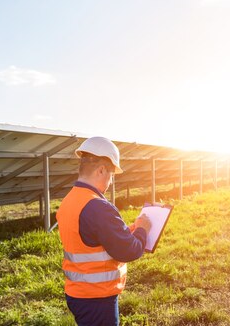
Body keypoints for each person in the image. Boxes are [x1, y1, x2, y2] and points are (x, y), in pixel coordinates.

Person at [56, 136, 152, 326]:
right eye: (111, 175)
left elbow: (94, 238)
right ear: (101, 170)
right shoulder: (98, 206)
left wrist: (130, 228)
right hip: (97, 298)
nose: (111, 182)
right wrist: (142, 230)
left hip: (78, 293)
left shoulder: (70, 200)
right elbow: (128, 250)